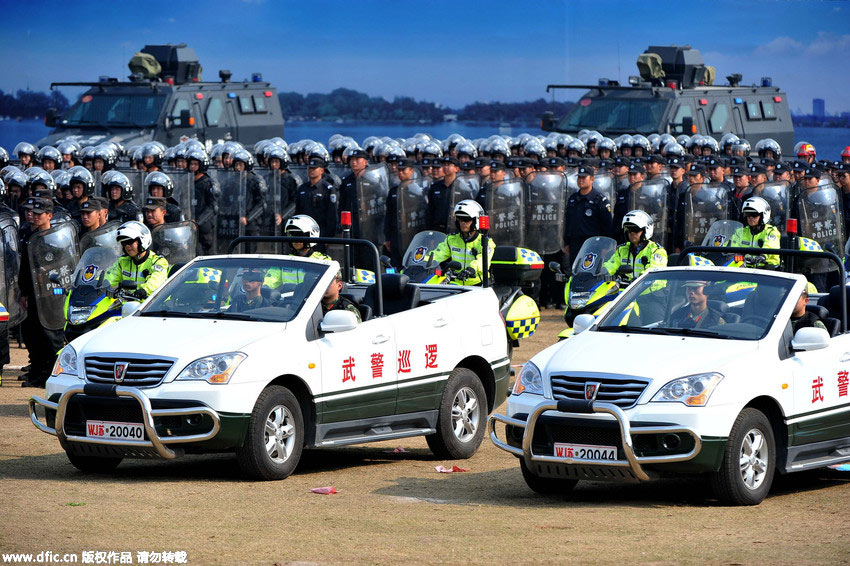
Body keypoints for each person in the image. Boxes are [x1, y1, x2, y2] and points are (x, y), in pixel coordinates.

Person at [18, 197, 66, 387]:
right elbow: (24, 268)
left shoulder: (56, 238)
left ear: (50, 216)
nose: (36, 217)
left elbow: (64, 266)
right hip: (33, 294)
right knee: (33, 335)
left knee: (50, 337)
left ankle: (51, 374)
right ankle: (37, 373)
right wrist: (24, 293)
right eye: (34, 214)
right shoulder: (31, 237)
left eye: (40, 214)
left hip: (51, 294)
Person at [432, 200, 495, 286]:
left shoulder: (485, 241)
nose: (462, 223)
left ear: (475, 221)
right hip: (457, 284)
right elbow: (437, 254)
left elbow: (483, 260)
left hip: (479, 285)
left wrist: (471, 269)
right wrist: (424, 262)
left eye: (466, 219)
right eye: (459, 219)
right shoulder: (451, 239)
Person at [105, 221, 169, 301]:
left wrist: (144, 290)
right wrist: (94, 284)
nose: (127, 246)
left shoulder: (158, 261)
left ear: (142, 240)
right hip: (129, 307)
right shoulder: (122, 262)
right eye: (124, 243)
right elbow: (109, 278)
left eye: (129, 242)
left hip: (154, 306)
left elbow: (157, 279)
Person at [564, 165, 613, 265]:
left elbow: (607, 226)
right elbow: (568, 223)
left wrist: (605, 247)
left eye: (584, 177)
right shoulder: (573, 199)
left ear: (592, 179)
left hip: (593, 244)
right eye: (579, 177)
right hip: (575, 244)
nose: (581, 180)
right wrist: (567, 243)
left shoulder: (600, 200)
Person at [603, 210, 667, 282]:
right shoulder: (622, 250)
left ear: (646, 230)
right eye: (629, 229)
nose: (632, 233)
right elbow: (611, 265)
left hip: (651, 291)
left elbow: (653, 271)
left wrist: (638, 281)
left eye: (636, 229)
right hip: (629, 290)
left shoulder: (656, 251)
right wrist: (602, 272)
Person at [728, 197, 781, 268]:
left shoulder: (771, 231)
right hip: (746, 268)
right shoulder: (741, 231)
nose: (751, 217)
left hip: (767, 269)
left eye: (754, 214)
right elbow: (730, 246)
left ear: (763, 215)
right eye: (748, 214)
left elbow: (770, 246)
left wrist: (762, 256)